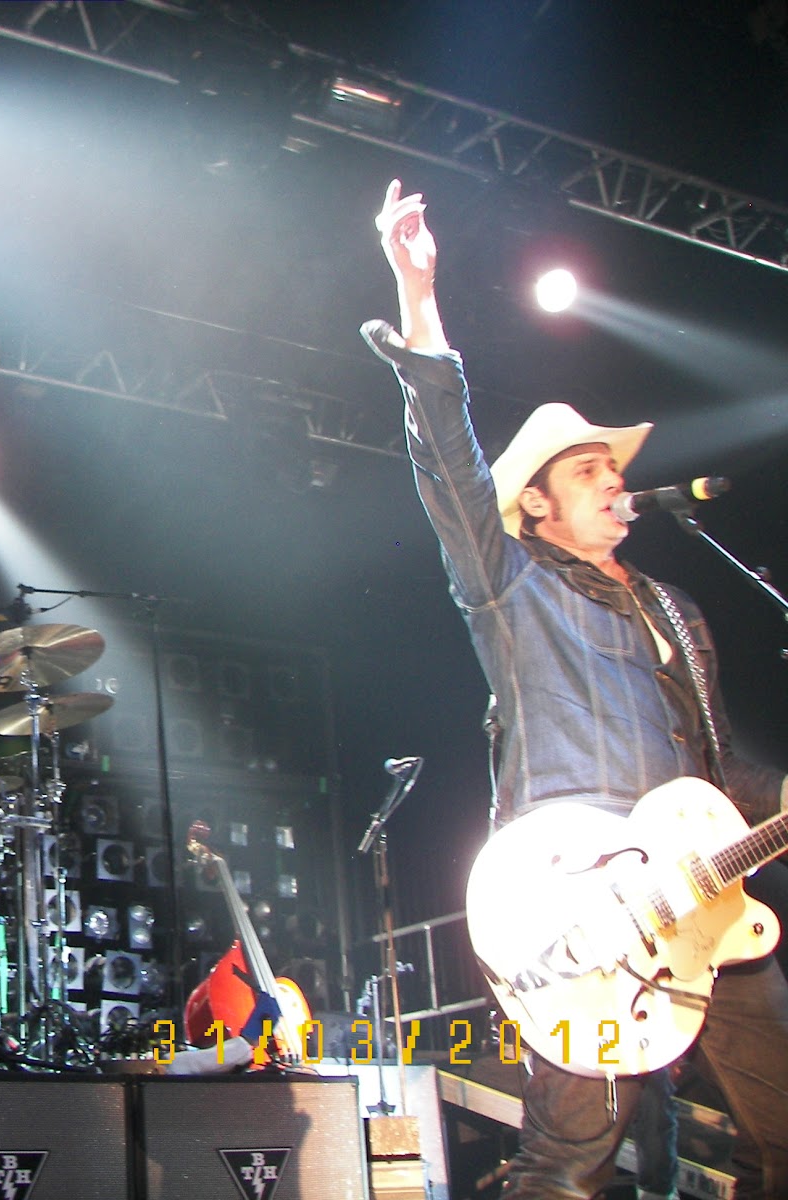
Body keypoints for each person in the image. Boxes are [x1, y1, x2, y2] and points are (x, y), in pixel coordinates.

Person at [365, 178, 788, 1199]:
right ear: (538, 507)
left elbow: (719, 768)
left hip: (706, 897)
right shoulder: (512, 588)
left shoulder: (672, 609)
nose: (612, 480)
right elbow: (452, 478)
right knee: (567, 1165)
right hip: (584, 907)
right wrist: (421, 302)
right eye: (587, 469)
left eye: (613, 467)